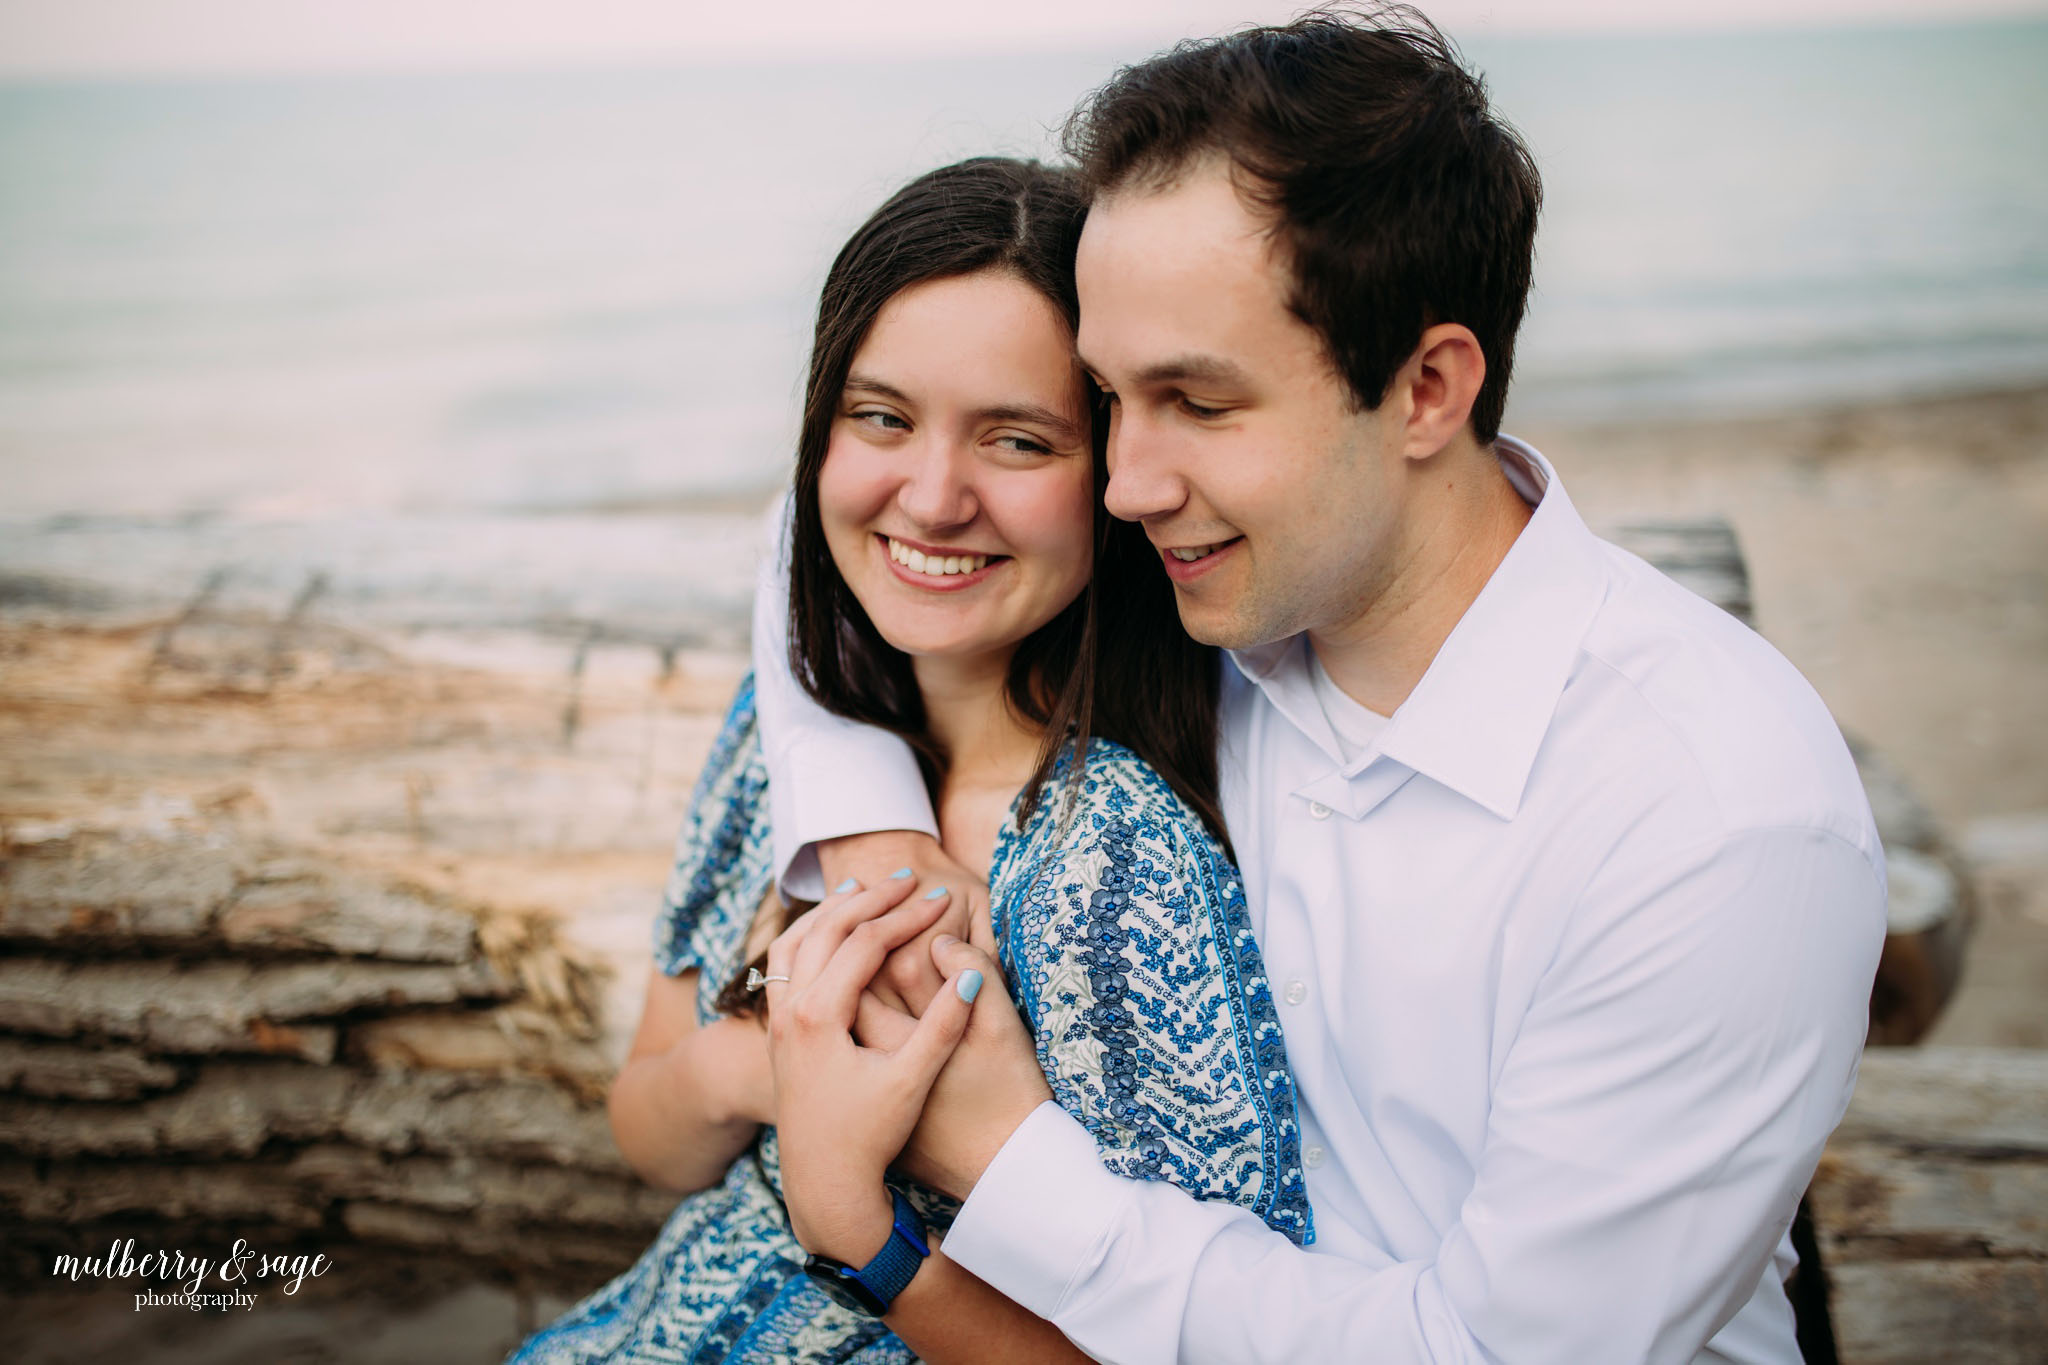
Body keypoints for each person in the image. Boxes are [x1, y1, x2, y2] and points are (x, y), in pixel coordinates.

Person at [751, 8, 1890, 1363]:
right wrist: (868, 822)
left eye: (1201, 402)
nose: (1125, 485)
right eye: (1109, 398)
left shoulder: (1713, 823)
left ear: (1425, 389)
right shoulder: (1219, 595)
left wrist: (1006, 1160)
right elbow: (824, 542)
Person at [505, 155, 1312, 1365]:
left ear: (1115, 478)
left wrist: (864, 1229)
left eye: (1017, 440)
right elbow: (650, 1127)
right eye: (879, 418)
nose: (930, 498)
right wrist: (766, 1069)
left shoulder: (1111, 864)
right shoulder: (779, 736)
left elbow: (1185, 1344)